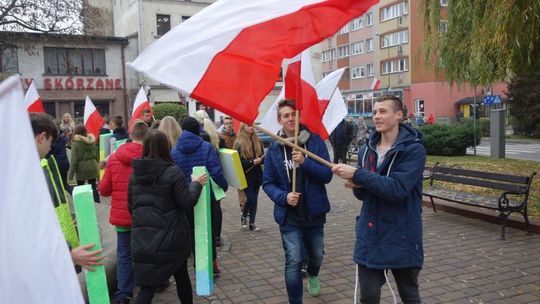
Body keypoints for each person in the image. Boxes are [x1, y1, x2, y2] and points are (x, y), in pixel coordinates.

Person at [332, 94, 425, 304]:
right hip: (371, 233)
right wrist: (357, 186)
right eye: (374, 112)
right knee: (369, 296)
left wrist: (358, 175)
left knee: (409, 296)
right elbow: (363, 194)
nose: (376, 116)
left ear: (399, 115)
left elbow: (397, 189)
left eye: (383, 111)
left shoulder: (413, 150)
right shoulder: (367, 149)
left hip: (402, 233)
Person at [262, 99, 332, 304]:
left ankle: (313, 273)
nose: (291, 118)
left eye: (294, 114)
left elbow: (327, 175)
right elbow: (267, 183)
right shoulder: (274, 149)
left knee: (316, 254)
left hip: (314, 213)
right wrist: (284, 197)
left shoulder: (315, 142)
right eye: (286, 115)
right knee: (293, 260)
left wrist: (305, 162)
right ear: (279, 120)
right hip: (289, 216)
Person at [128, 130, 207, 304]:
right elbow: (187, 202)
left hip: (143, 240)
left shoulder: (135, 176)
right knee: (182, 279)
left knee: (147, 288)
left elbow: (131, 208)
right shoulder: (173, 172)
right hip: (171, 239)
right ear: (166, 147)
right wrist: (195, 184)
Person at [30, 113, 103, 272]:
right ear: (42, 137)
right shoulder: (30, 175)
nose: (50, 147)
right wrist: (67, 253)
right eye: (50, 141)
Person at [99, 121, 149, 304]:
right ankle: (151, 285)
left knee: (124, 254)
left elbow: (104, 190)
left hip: (122, 217)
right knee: (147, 251)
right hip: (146, 216)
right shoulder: (151, 157)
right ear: (146, 137)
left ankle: (123, 293)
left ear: (131, 135)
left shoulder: (113, 158)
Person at [171, 116, 228, 276]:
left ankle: (198, 261)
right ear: (198, 129)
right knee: (207, 230)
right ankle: (212, 264)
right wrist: (223, 186)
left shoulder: (174, 150)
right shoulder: (206, 147)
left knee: (190, 229)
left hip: (185, 195)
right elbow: (216, 171)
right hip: (204, 195)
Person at [234, 123, 264, 231]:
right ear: (243, 127)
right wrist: (252, 162)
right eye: (247, 125)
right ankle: (244, 214)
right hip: (245, 175)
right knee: (251, 198)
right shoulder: (239, 143)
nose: (251, 127)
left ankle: (252, 223)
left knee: (255, 200)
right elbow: (237, 162)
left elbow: (262, 157)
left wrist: (261, 160)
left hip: (256, 175)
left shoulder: (258, 141)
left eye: (252, 125)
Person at [68, 124, 100, 203]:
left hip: (81, 169)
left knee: (81, 188)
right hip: (93, 166)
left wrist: (70, 175)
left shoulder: (75, 144)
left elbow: (74, 161)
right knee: (93, 187)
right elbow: (96, 155)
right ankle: (96, 202)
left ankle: (84, 203)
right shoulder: (91, 141)